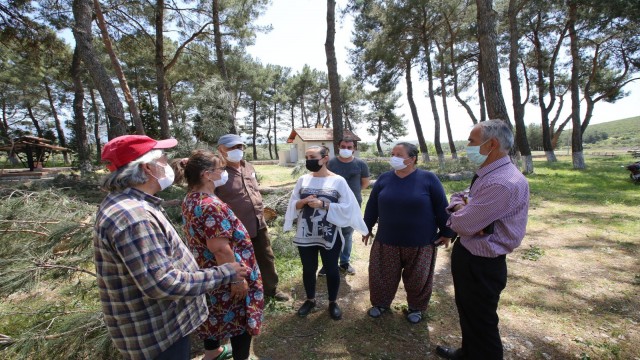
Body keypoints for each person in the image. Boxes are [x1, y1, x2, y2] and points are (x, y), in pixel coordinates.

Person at [94, 135, 249, 360]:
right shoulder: (134, 217)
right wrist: (227, 272)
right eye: (164, 160)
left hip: (161, 329)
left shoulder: (135, 205)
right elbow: (163, 284)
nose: (169, 165)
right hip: (158, 336)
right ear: (147, 168)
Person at [435, 120, 529, 360]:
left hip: (481, 262)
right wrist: (465, 208)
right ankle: (469, 353)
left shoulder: (501, 182)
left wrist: (464, 214)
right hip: (472, 252)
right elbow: (462, 198)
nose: (467, 145)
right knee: (469, 312)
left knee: (481, 319)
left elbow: (463, 223)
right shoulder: (491, 174)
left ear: (492, 144)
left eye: (472, 141)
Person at [173, 149, 264, 360]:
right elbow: (220, 249)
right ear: (207, 174)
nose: (224, 172)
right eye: (221, 169)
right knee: (240, 319)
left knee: (214, 315)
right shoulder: (211, 206)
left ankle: (212, 353)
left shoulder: (191, 198)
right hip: (227, 272)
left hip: (208, 270)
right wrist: (236, 279)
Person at [362, 142, 455, 324]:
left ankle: (416, 308)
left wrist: (447, 232)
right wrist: (367, 227)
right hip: (387, 240)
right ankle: (380, 304)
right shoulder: (384, 179)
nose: (394, 157)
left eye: (399, 154)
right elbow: (372, 205)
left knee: (418, 278)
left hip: (420, 242)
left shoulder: (428, 179)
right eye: (392, 153)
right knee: (381, 275)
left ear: (412, 159)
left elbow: (442, 208)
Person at [284, 145, 368, 320]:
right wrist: (303, 202)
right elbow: (293, 204)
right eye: (307, 156)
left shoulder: (338, 181)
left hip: (329, 234)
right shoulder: (303, 180)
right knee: (308, 269)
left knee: (331, 269)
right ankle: (310, 300)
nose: (309, 160)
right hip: (305, 232)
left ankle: (332, 302)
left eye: (313, 156)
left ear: (325, 158)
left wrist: (324, 204)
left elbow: (348, 206)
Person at [215, 134, 289, 302]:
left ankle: (271, 289)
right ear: (220, 150)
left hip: (258, 222)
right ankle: (245, 291)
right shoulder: (217, 172)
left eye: (240, 147)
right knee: (241, 261)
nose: (237, 151)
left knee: (266, 256)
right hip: (236, 228)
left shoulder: (248, 167)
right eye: (232, 147)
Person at [318, 137, 370, 276]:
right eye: (343, 146)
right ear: (338, 147)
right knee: (329, 232)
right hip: (330, 203)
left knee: (347, 233)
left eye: (349, 147)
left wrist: (351, 195)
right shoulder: (330, 163)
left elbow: (365, 183)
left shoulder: (361, 164)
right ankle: (328, 264)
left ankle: (344, 262)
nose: (346, 149)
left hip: (352, 205)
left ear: (354, 149)